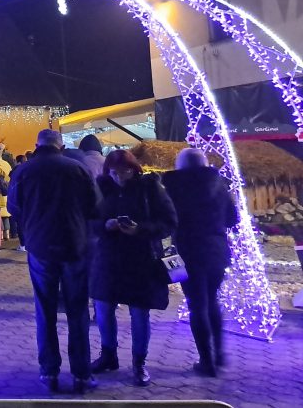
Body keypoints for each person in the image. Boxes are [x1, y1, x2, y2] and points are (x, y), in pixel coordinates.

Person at [8, 129, 97, 393]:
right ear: (60, 146)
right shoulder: (77, 169)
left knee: (44, 310)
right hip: (74, 244)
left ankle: (49, 372)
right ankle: (82, 373)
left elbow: (14, 207)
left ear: (37, 146)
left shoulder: (24, 171)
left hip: (40, 245)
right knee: (77, 309)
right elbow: (94, 205)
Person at [89, 149, 177, 386]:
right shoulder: (101, 188)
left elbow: (169, 222)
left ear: (134, 169)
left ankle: (139, 362)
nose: (119, 177)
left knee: (139, 313)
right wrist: (105, 226)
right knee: (103, 309)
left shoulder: (149, 188)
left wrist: (140, 229)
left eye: (124, 172)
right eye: (114, 172)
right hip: (108, 259)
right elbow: (89, 221)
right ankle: (108, 355)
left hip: (141, 259)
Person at [162, 148, 240, 377]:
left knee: (197, 304)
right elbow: (232, 219)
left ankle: (206, 360)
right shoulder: (219, 186)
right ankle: (219, 354)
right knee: (212, 300)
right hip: (216, 249)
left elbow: (167, 221)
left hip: (186, 251)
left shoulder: (172, 187)